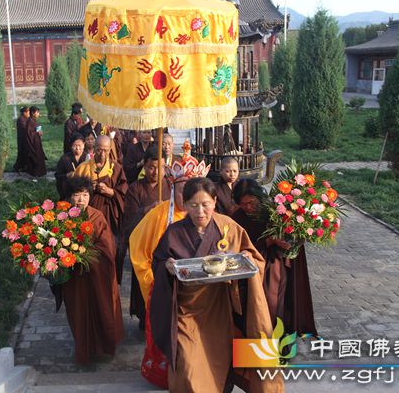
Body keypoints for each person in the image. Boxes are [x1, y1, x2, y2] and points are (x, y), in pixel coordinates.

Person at [150, 177, 283, 392]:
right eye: (193, 205)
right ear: (185, 205)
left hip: (220, 309)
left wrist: (241, 258)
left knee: (217, 363)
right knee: (188, 366)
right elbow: (157, 261)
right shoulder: (174, 232)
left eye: (205, 205)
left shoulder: (227, 226)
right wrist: (167, 265)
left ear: (214, 201)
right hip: (187, 311)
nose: (200, 211)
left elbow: (254, 258)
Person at [129, 156, 209, 389]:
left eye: (194, 192)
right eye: (184, 190)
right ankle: (165, 376)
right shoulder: (159, 214)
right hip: (166, 287)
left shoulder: (207, 217)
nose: (189, 198)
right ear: (173, 188)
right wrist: (153, 278)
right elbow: (138, 246)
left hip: (200, 290)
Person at [51, 176, 125, 365]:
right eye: (77, 195)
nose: (81, 199)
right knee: (78, 313)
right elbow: (51, 248)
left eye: (85, 195)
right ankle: (84, 348)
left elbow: (108, 248)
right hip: (74, 279)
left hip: (96, 275)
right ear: (68, 197)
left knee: (101, 309)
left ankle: (102, 347)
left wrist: (84, 253)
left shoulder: (96, 217)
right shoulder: (60, 217)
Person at [231, 179, 318, 337]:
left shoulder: (274, 209)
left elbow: (290, 228)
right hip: (253, 266)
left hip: (276, 261)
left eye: (251, 202)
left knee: (276, 302)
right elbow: (238, 246)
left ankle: (277, 337)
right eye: (243, 204)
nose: (248, 207)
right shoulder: (237, 217)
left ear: (259, 197)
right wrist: (269, 240)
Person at [117, 146, 170, 323]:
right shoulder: (135, 188)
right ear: (144, 167)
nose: (155, 172)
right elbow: (130, 216)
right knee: (143, 282)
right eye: (151, 167)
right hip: (144, 245)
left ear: (166, 167)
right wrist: (148, 209)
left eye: (160, 167)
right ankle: (143, 316)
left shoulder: (171, 186)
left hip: (166, 244)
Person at [72, 135, 128, 237]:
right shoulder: (83, 167)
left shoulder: (116, 168)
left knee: (109, 241)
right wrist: (88, 189)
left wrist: (110, 191)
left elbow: (124, 192)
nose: (102, 154)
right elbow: (72, 191)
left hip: (109, 214)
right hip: (88, 213)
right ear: (94, 148)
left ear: (110, 150)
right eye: (99, 150)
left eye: (106, 151)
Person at [55, 133, 86, 199]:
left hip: (84, 189)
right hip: (69, 189)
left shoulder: (87, 157)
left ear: (84, 145)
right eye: (75, 145)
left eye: (80, 145)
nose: (77, 148)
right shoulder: (65, 158)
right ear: (71, 146)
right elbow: (57, 175)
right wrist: (67, 175)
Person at [24, 106, 47, 179]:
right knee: (36, 158)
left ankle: (40, 172)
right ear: (32, 113)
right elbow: (29, 134)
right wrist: (37, 133)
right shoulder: (30, 121)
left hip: (36, 142)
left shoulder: (33, 120)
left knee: (39, 156)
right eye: (37, 112)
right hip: (33, 144)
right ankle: (36, 173)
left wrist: (39, 132)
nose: (38, 114)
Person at [12, 106, 29, 173]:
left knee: (25, 154)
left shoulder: (25, 118)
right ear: (24, 112)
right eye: (28, 112)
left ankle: (24, 167)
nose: (29, 113)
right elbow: (25, 128)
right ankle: (17, 167)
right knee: (22, 154)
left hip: (26, 139)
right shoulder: (21, 119)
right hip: (22, 140)